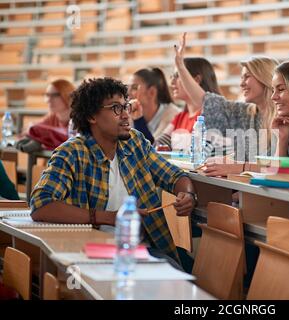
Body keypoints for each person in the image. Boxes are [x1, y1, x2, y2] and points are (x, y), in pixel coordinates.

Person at [30, 77, 198, 264]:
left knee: (178, 280)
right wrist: (107, 218)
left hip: (143, 251)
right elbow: (40, 205)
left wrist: (187, 194)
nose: (126, 115)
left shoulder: (135, 143)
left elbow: (175, 176)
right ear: (92, 116)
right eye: (116, 108)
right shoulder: (72, 152)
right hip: (90, 255)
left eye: (125, 106)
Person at [174, 33, 279, 176]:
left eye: (247, 77)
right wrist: (180, 66)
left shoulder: (283, 118)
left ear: (265, 78)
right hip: (243, 189)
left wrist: (239, 167)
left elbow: (279, 168)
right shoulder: (245, 112)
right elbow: (206, 100)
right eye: (241, 77)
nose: (241, 84)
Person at [155, 55, 221, 152]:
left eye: (178, 76)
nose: (172, 82)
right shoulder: (179, 117)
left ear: (196, 80)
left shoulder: (213, 115)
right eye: (172, 76)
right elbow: (156, 147)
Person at [16, 79, 76, 152]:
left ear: (67, 95)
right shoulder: (53, 116)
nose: (48, 100)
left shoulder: (78, 117)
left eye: (55, 95)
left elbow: (71, 140)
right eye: (47, 95)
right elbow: (31, 130)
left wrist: (40, 139)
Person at [128, 68, 180, 144]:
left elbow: (150, 150)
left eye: (134, 88)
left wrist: (138, 121)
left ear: (152, 92)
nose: (128, 93)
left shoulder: (174, 116)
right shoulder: (127, 116)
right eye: (127, 87)